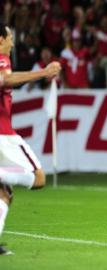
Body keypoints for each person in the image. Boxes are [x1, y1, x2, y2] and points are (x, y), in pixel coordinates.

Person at [0, 24, 61, 255]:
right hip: (3, 134)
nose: (12, 43)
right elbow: (5, 80)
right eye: (10, 38)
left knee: (4, 194)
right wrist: (44, 73)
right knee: (38, 178)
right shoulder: (2, 59)